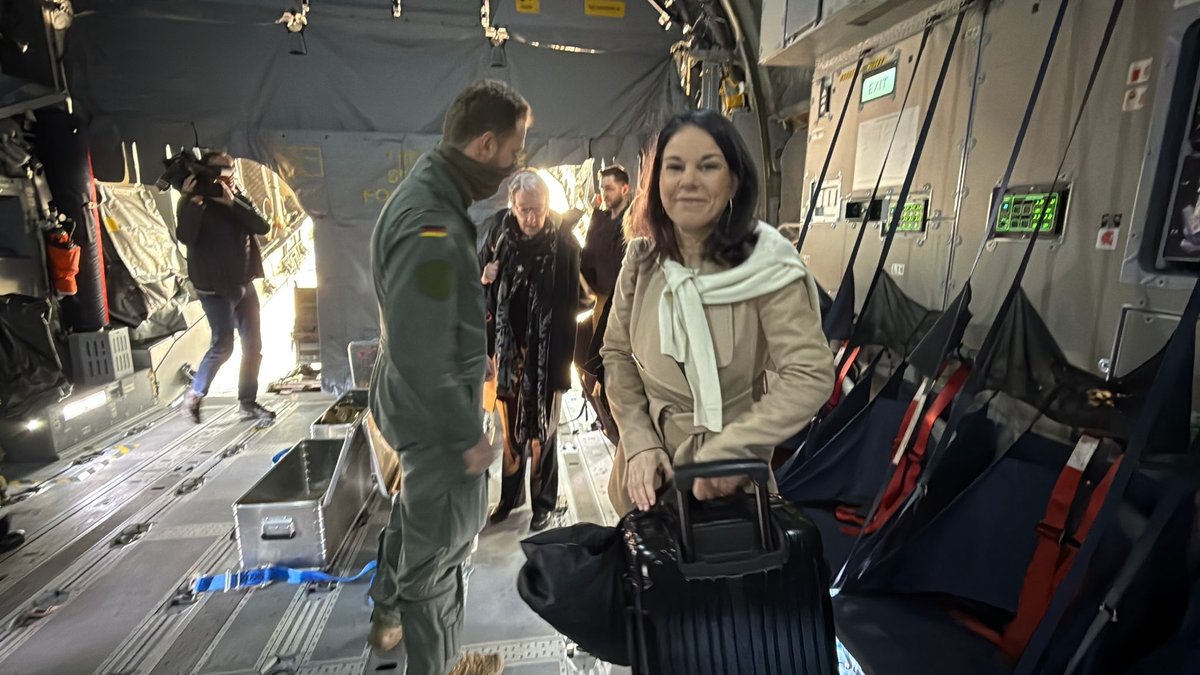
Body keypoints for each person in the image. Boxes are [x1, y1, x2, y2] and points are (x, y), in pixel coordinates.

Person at [365, 79, 528, 675]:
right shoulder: (431, 223)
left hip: (412, 397)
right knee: (438, 556)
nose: (516, 165)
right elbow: (420, 347)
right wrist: (468, 435)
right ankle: (436, 662)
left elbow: (428, 321)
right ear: (486, 144)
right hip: (433, 413)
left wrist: (471, 350)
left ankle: (386, 621)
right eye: (515, 151)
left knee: (415, 517)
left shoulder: (424, 196)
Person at [600, 109, 835, 515]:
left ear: (734, 181)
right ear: (657, 182)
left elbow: (808, 375)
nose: (688, 180)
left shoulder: (766, 266)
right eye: (674, 167)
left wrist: (734, 448)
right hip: (648, 481)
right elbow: (616, 355)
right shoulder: (641, 261)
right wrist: (639, 441)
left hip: (733, 480)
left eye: (708, 166)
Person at [479, 171, 582, 532]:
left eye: (537, 209)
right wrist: (485, 274)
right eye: (524, 209)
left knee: (543, 434)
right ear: (513, 206)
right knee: (511, 435)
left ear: (547, 206)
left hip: (547, 354)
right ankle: (510, 499)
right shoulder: (497, 233)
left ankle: (543, 504)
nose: (531, 217)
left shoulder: (564, 243)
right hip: (508, 353)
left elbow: (578, 300)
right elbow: (478, 280)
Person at [176, 151, 276, 423]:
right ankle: (194, 396)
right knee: (223, 346)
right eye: (218, 171)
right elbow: (185, 236)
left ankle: (248, 402)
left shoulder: (237, 198)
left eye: (229, 170)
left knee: (253, 345)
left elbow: (262, 226)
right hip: (214, 287)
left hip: (243, 281)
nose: (224, 176)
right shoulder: (192, 201)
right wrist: (193, 201)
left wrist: (233, 203)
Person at [577, 165, 631, 444]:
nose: (604, 194)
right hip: (600, 306)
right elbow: (587, 260)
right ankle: (607, 419)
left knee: (612, 369)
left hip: (623, 308)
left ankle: (621, 427)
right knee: (586, 365)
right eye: (601, 189)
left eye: (609, 189)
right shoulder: (598, 222)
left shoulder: (632, 224)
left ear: (625, 189)